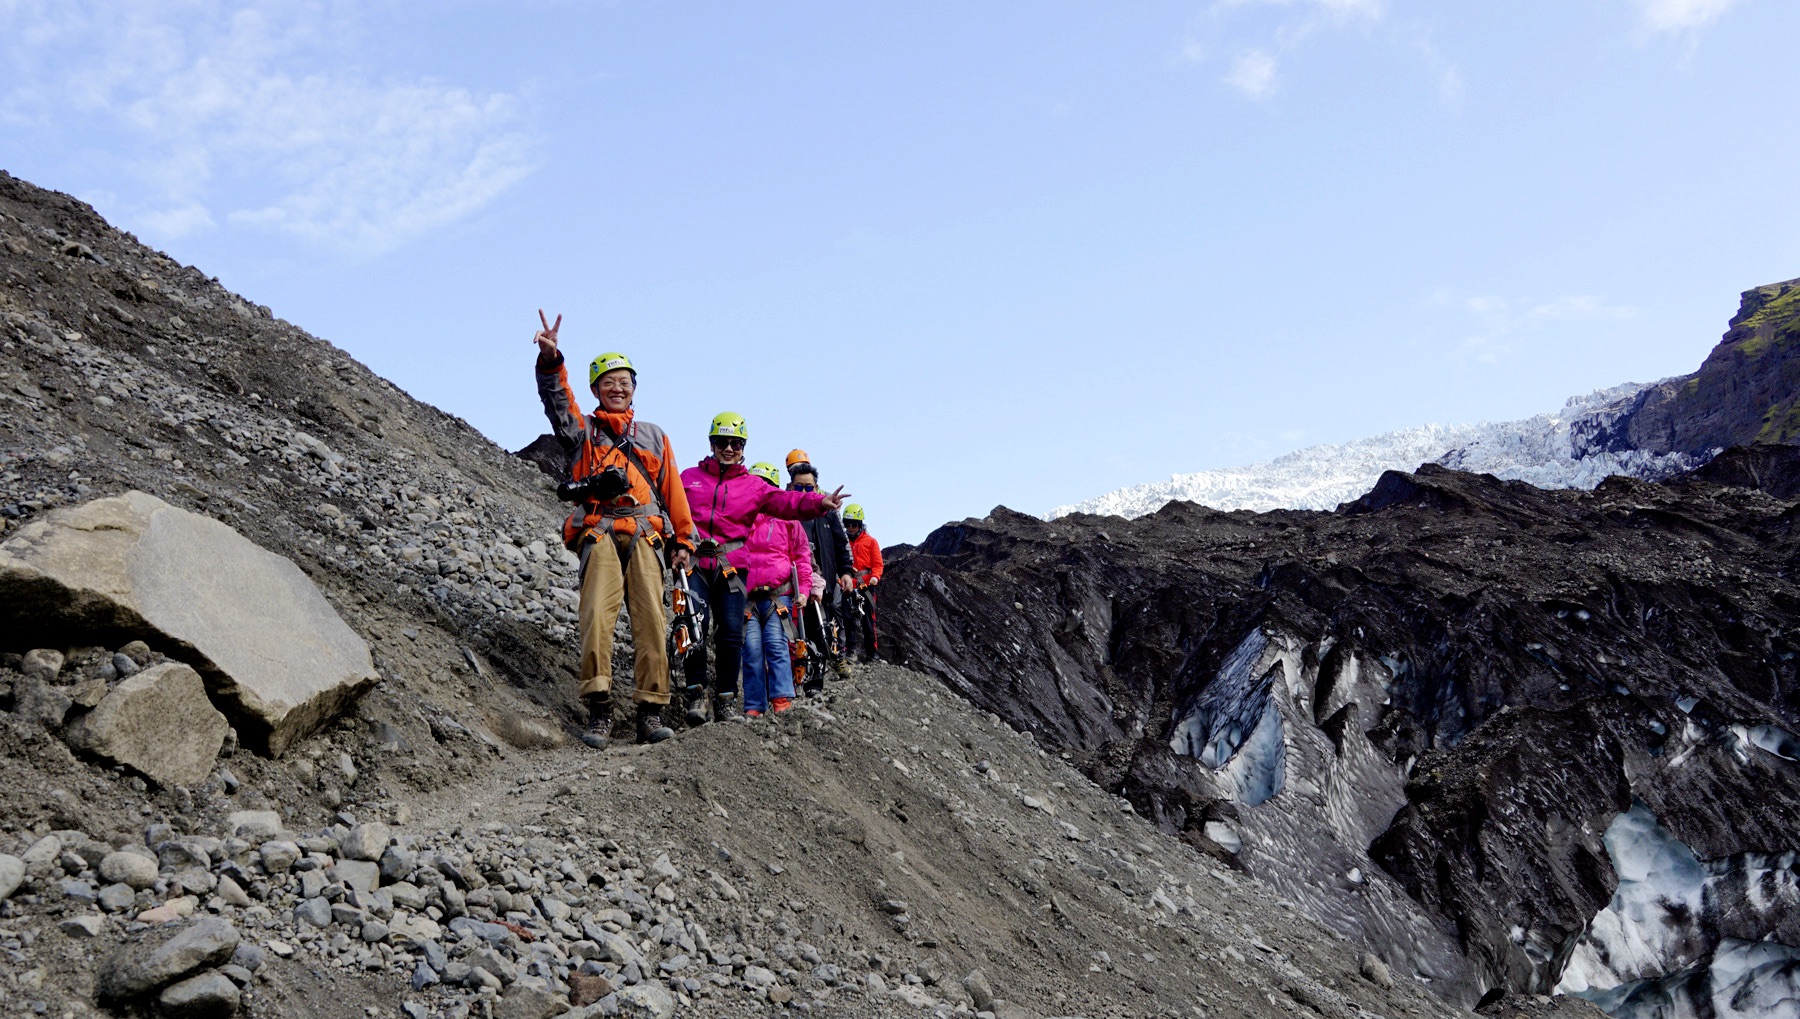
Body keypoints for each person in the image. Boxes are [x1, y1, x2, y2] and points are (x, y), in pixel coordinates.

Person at [531, 311, 694, 749]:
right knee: (595, 621)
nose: (617, 387)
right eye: (608, 382)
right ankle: (599, 711)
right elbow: (558, 402)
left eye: (624, 381)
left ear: (634, 388)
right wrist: (552, 361)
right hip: (599, 528)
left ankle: (650, 711)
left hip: (646, 532)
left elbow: (672, 489)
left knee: (652, 623)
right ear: (596, 390)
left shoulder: (655, 436)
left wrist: (684, 538)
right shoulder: (583, 431)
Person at [680, 416, 849, 723]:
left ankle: (726, 700)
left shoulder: (754, 486)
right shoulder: (688, 478)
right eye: (722, 442)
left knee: (731, 636)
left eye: (736, 443)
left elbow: (787, 503)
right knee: (693, 628)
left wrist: (819, 502)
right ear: (711, 444)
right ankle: (697, 694)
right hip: (694, 562)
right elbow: (671, 506)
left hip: (732, 567)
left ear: (743, 447)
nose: (729, 448)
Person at [737, 463, 813, 716]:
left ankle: (781, 701)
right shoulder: (740, 520)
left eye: (767, 485)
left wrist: (803, 591)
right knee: (752, 652)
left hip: (778, 595)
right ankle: (754, 706)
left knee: (776, 647)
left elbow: (802, 559)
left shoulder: (789, 522)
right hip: (748, 598)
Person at [786, 449, 856, 691]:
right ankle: (790, 685)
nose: (804, 492)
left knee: (824, 626)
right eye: (799, 487)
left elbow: (840, 541)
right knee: (795, 633)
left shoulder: (827, 509)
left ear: (816, 487)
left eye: (809, 487)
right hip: (792, 582)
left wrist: (846, 572)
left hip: (824, 578)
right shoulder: (785, 507)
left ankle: (817, 681)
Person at [844, 504, 883, 661]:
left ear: (860, 524)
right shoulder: (842, 542)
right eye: (847, 524)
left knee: (868, 620)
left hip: (866, 586)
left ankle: (871, 653)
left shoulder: (871, 542)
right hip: (847, 586)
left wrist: (875, 577)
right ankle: (850, 650)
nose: (850, 528)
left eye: (854, 524)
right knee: (847, 619)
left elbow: (878, 564)